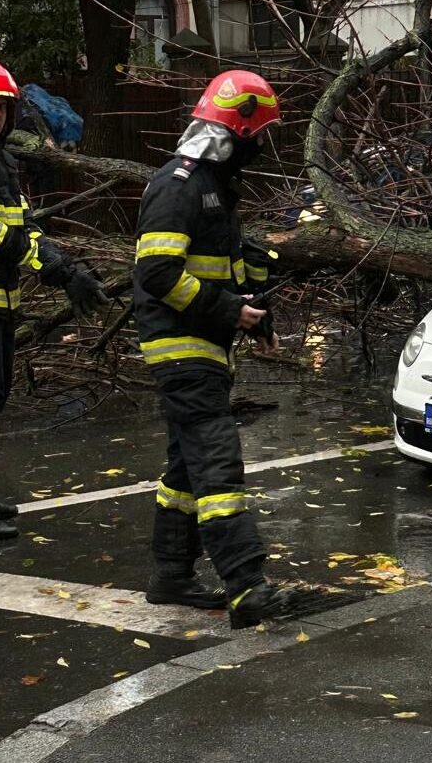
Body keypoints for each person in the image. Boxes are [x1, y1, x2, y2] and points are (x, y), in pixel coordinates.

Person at [132, 70, 292, 629]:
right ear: (238, 129)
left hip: (202, 344)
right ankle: (247, 587)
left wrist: (255, 315)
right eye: (258, 133)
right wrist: (228, 311)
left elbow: (220, 269)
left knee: (185, 467)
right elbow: (156, 272)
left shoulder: (215, 187)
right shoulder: (179, 185)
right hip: (181, 349)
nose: (261, 145)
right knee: (217, 467)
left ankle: (171, 574)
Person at [0, 58, 107, 540]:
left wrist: (64, 266)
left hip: (2, 305)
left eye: (2, 106)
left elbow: (25, 228)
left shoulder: (4, 161)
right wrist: (49, 267)